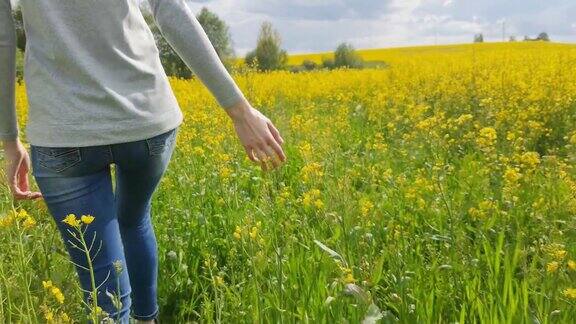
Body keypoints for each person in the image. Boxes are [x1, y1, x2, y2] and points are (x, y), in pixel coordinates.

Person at [0, 0, 286, 322]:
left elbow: (3, 37)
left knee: (104, 293)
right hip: (146, 121)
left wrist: (9, 140)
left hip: (62, 131)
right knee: (134, 220)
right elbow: (169, 8)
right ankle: (147, 318)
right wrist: (239, 111)